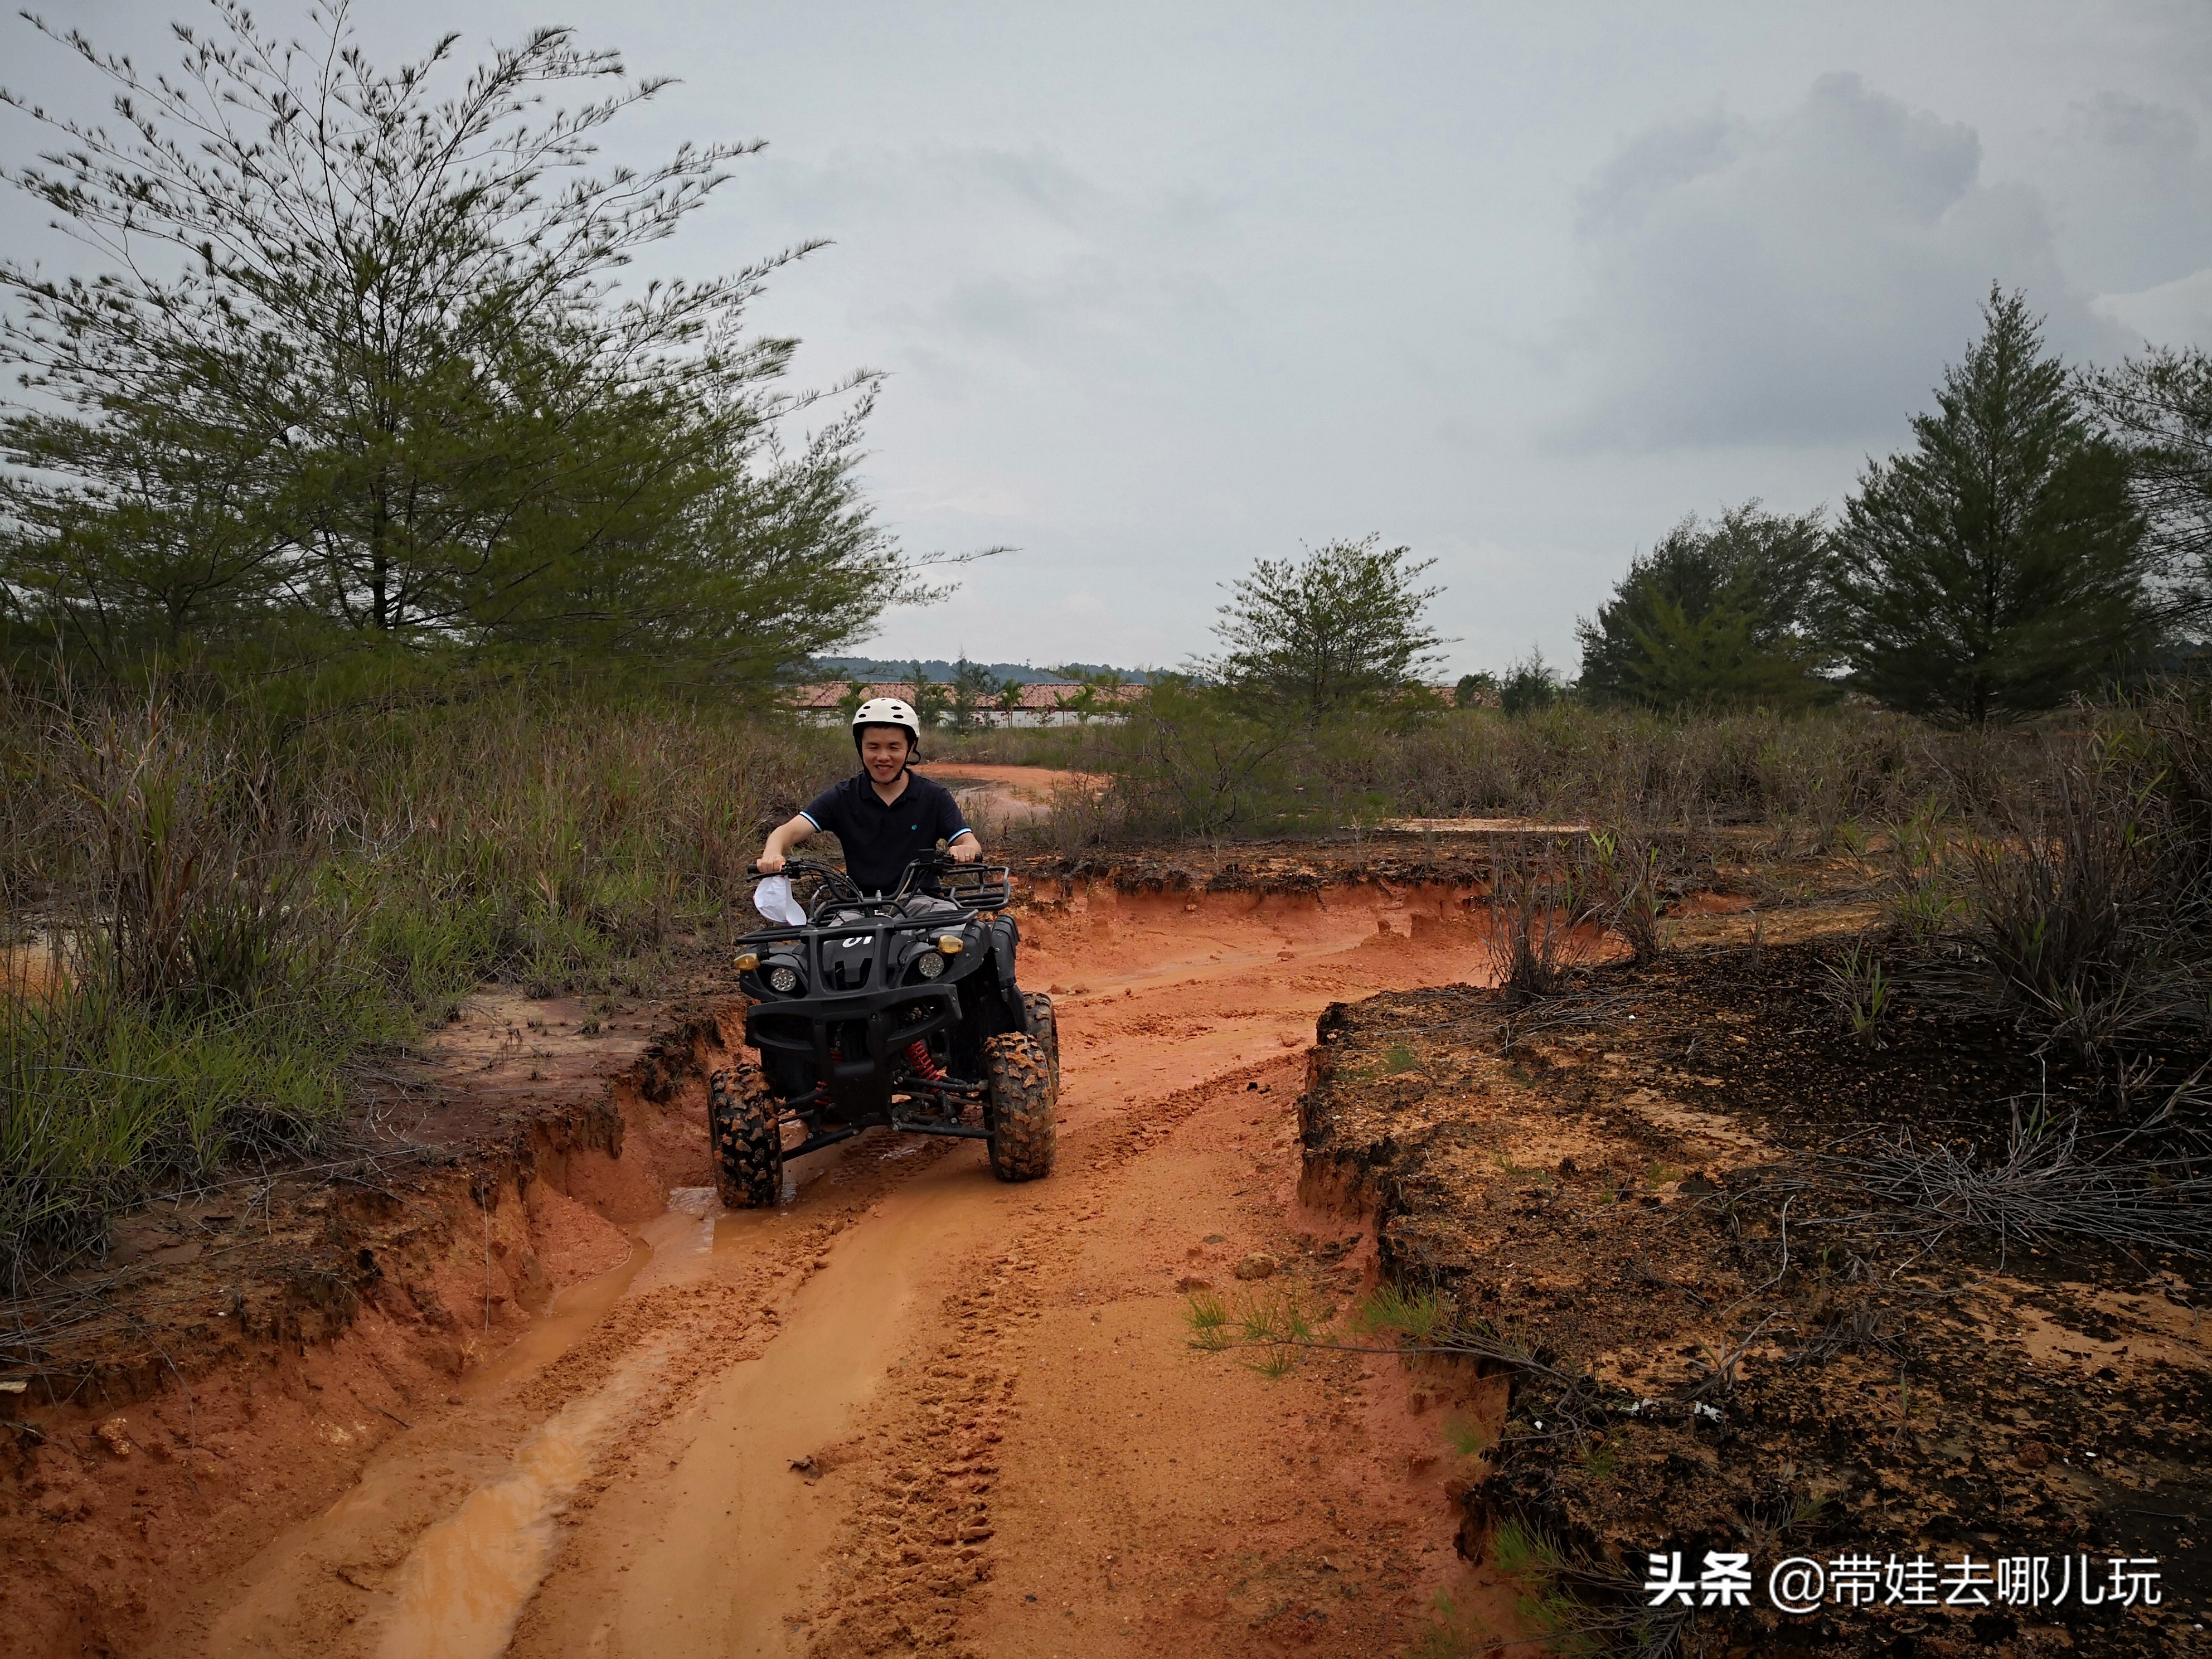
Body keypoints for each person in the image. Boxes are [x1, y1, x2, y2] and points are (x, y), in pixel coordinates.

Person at [757, 697, 982, 894]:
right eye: (873, 747)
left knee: (955, 939)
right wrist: (773, 854)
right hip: (858, 906)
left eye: (894, 748)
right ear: (860, 747)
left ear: (911, 748)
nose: (883, 757)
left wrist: (965, 849)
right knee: (825, 942)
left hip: (922, 902)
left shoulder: (934, 796)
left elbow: (968, 841)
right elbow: (786, 832)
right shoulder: (842, 797)